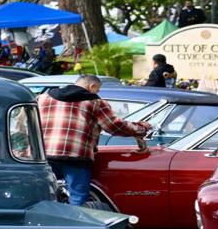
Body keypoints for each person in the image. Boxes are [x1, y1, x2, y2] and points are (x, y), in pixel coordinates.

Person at [36, 74, 153, 207]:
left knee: (43, 195)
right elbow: (114, 126)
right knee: (77, 197)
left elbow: (23, 123)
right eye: (97, 90)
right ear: (92, 86)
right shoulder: (95, 102)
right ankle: (76, 225)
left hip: (42, 155)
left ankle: (44, 224)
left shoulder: (43, 98)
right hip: (76, 156)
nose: (98, 93)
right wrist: (140, 128)